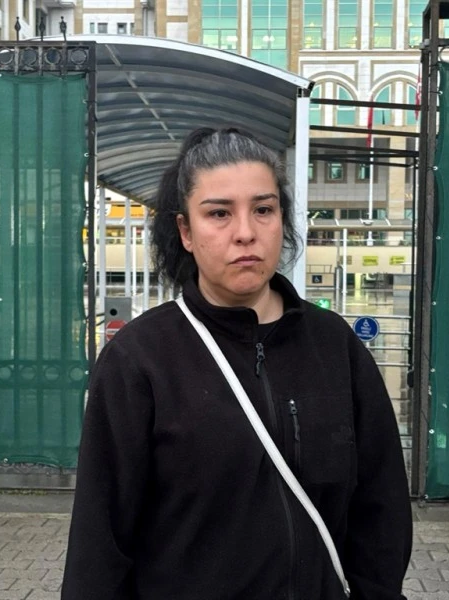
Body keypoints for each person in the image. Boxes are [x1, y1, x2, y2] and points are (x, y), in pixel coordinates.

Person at [61, 127, 412, 599]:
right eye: (219, 213)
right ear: (186, 232)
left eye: (263, 209)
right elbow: (100, 541)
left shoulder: (334, 347)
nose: (245, 232)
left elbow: (381, 504)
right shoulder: (139, 360)